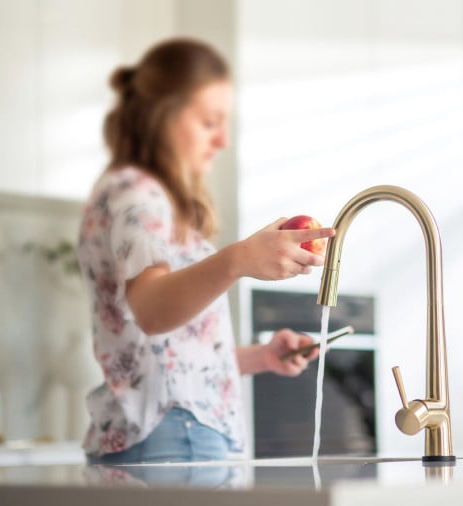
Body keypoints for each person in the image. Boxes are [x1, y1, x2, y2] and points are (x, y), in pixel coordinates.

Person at [77, 37, 335, 465]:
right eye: (209, 122)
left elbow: (167, 355)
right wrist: (239, 260)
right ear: (162, 117)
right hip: (175, 436)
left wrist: (260, 357)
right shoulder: (139, 195)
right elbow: (153, 312)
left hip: (160, 433)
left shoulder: (139, 196)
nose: (222, 140)